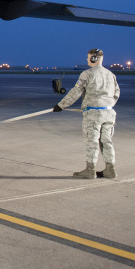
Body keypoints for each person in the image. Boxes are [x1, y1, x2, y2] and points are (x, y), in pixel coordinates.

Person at [53, 49, 120, 179]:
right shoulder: (111, 74)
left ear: (93, 59)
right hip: (109, 112)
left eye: (88, 57)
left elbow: (76, 91)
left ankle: (90, 170)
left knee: (92, 141)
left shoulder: (87, 74)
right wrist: (107, 105)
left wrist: (61, 105)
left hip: (93, 114)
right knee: (106, 141)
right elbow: (116, 94)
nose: (87, 59)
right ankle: (110, 169)